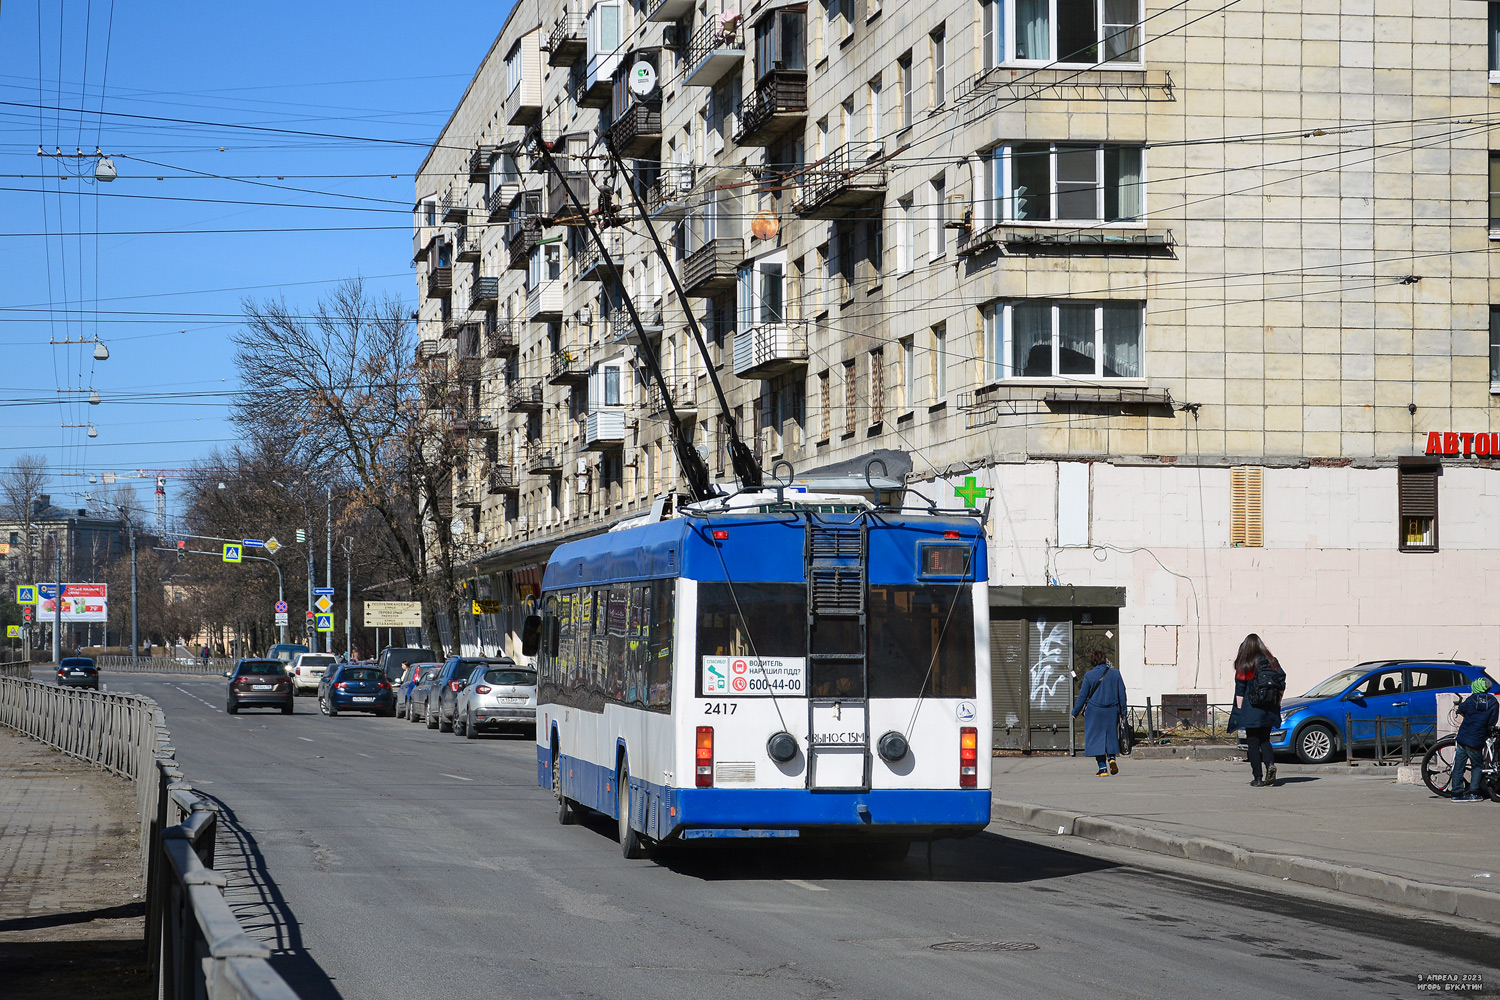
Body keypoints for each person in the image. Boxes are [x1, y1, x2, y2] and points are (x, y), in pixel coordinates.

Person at [1227, 633, 1286, 787]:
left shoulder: (1245, 664)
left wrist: (1240, 713)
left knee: (1253, 743)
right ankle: (1270, 765)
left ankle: (1258, 778)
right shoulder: (1272, 661)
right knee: (1265, 739)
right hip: (1269, 707)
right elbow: (1281, 681)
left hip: (1251, 707)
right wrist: (1276, 702)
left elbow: (1240, 690)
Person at [1072, 649, 1128, 776]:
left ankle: (1102, 768)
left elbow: (1082, 696)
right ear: (1104, 659)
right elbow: (1122, 694)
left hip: (1094, 711)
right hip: (1112, 710)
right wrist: (1123, 711)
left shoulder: (1089, 676)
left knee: (1096, 738)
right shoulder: (1115, 674)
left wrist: (1075, 712)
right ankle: (1112, 758)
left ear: (1093, 660)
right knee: (1111, 735)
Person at [1449, 677, 1498, 802]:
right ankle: (1473, 792)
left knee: (1459, 766)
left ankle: (1456, 793)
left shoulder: (1471, 700)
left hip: (1463, 737)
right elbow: (1492, 721)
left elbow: (1462, 708)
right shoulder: (1493, 702)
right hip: (1477, 739)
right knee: (1477, 766)